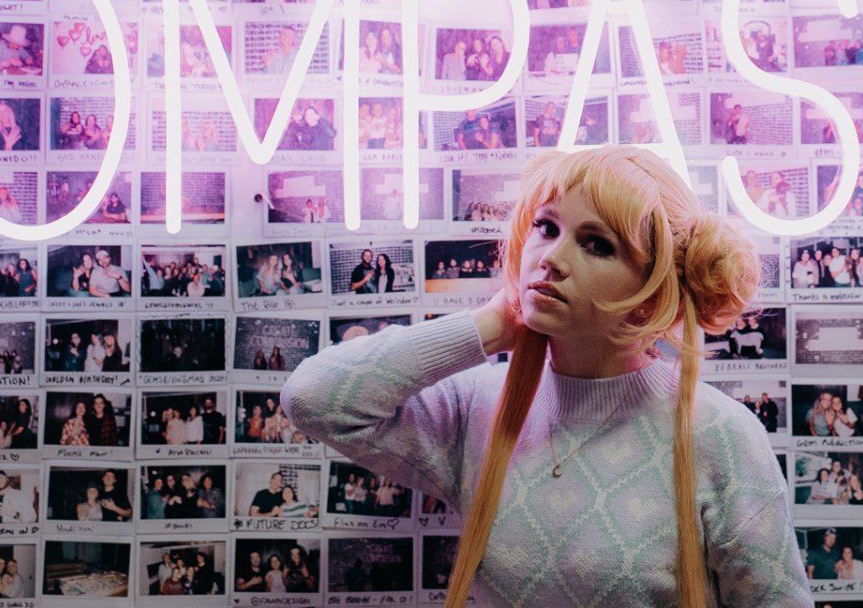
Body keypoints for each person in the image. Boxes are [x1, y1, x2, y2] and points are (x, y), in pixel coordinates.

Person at [280, 146, 810, 606]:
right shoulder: (478, 407)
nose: (551, 258)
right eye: (546, 227)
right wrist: (493, 323)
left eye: (597, 244)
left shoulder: (720, 434)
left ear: (652, 291)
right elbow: (314, 398)